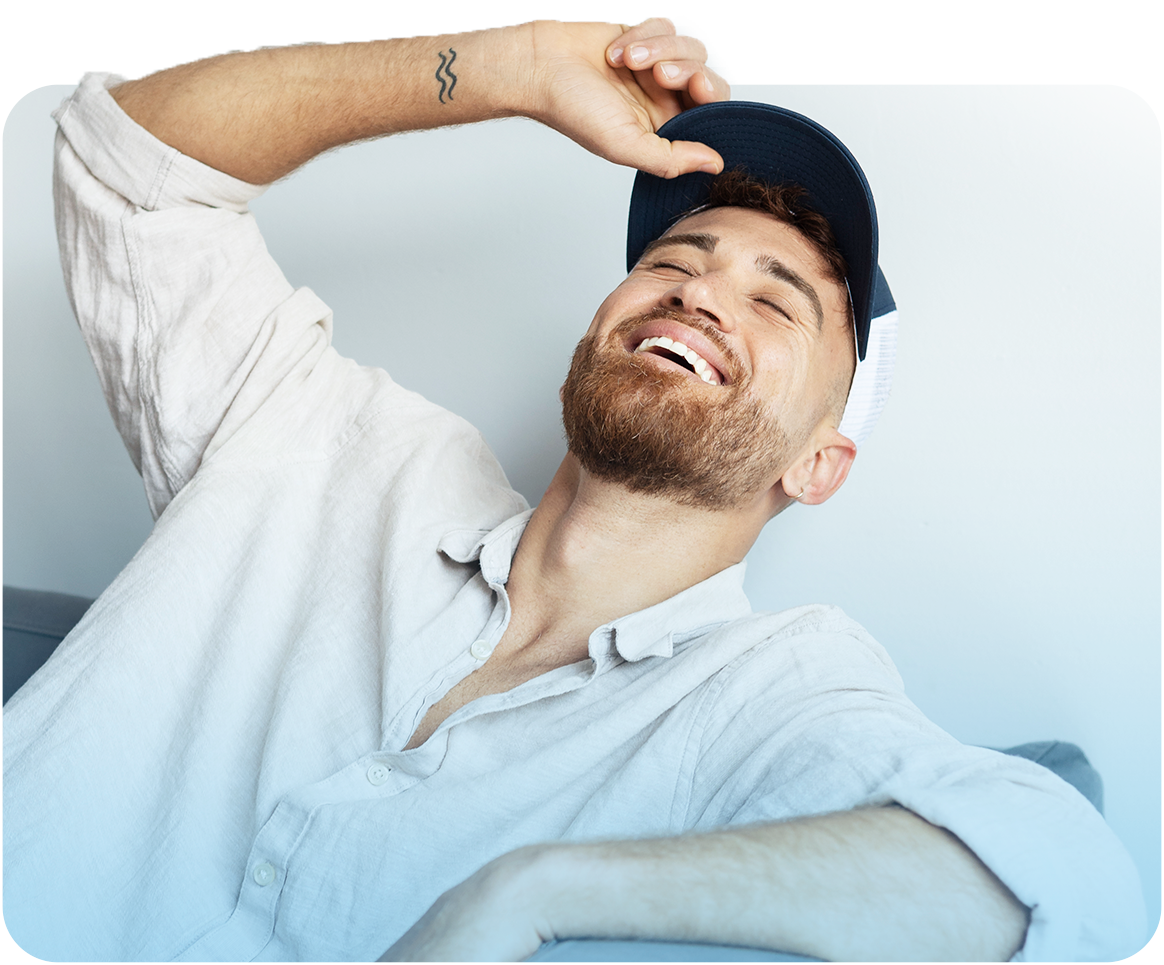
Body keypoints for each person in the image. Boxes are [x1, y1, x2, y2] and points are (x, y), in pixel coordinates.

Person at [1, 17, 1144, 964]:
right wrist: (510, 68)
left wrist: (537, 885)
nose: (699, 295)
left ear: (818, 464)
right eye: (670, 263)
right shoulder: (331, 440)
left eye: (776, 300)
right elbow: (129, 168)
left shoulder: (772, 688)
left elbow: (1057, 876)